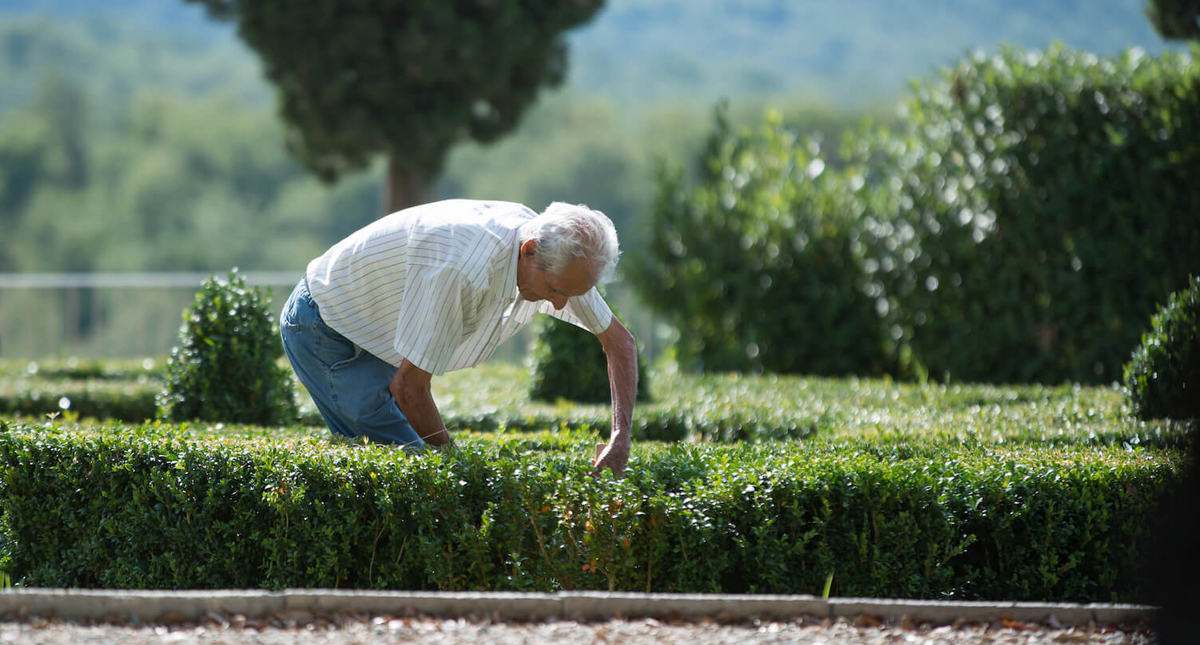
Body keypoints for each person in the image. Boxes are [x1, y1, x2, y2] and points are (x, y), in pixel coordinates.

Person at [280, 199, 637, 475]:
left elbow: (620, 343)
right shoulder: (461, 268)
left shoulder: (560, 255)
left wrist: (620, 439)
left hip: (375, 330)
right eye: (556, 290)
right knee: (417, 477)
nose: (561, 303)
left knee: (409, 473)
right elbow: (409, 388)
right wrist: (460, 467)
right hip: (325, 326)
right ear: (529, 251)